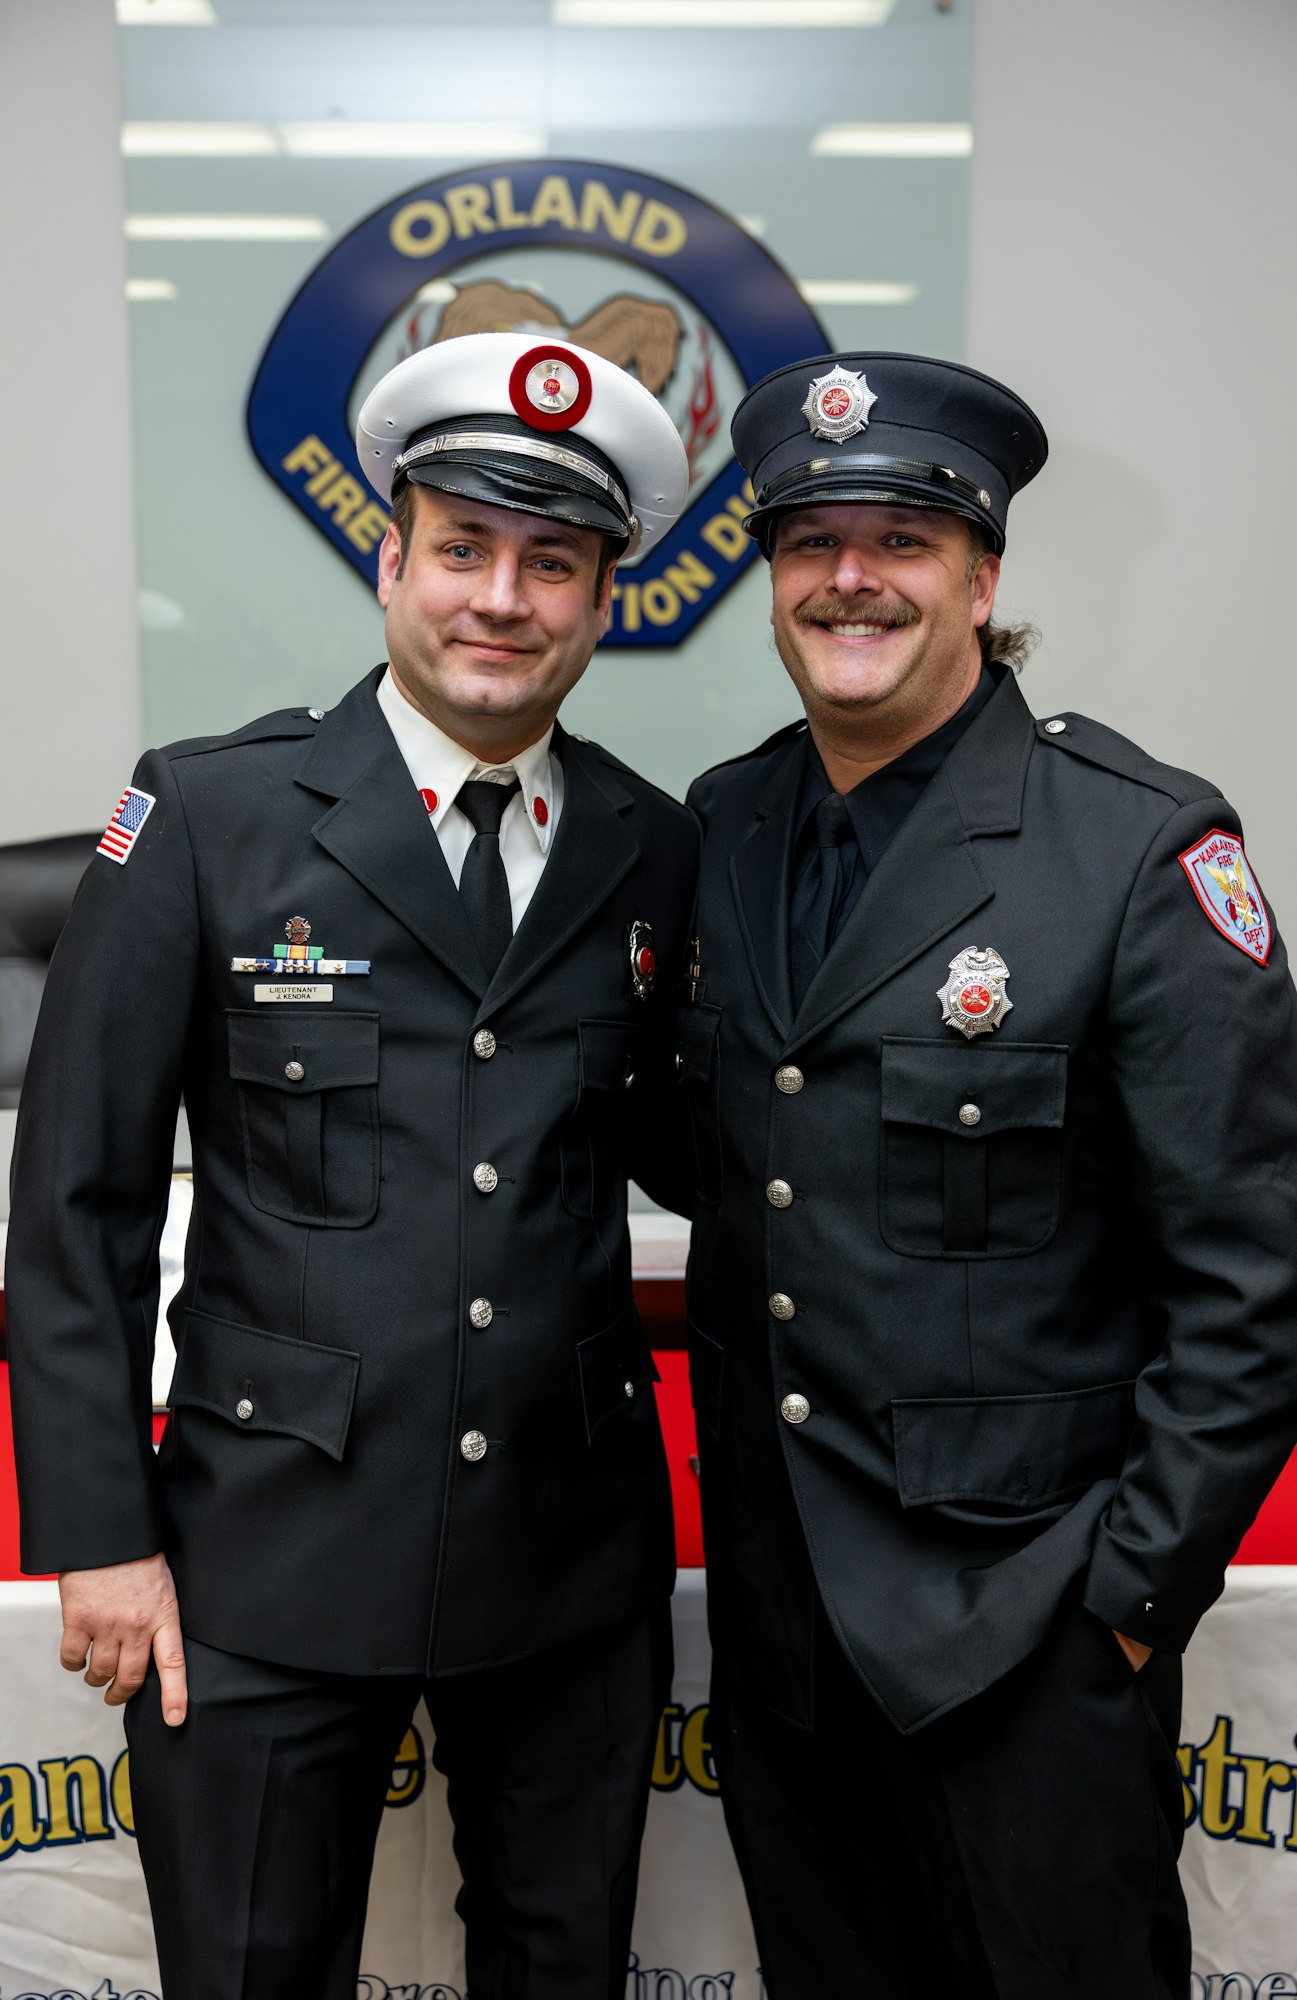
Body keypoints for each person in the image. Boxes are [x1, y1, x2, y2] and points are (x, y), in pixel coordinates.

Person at [6, 330, 699, 2000]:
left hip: (565, 1550)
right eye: (462, 548)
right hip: (268, 1540)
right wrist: (97, 1532)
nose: (500, 599)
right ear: (388, 561)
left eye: (553, 564)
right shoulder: (205, 817)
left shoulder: (648, 844)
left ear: (605, 599)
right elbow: (77, 1204)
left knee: (563, 1970)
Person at [678, 349, 1297, 1997]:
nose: (849, 578)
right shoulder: (727, 827)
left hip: (1024, 1638)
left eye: (902, 538)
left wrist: (1126, 1601)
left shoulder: (1135, 848)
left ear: (982, 572)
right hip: (788, 1640)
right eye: (809, 542)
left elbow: (1252, 1276)